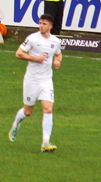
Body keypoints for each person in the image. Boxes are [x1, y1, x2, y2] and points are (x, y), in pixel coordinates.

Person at [9, 13, 63, 152]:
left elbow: (58, 54)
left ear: (50, 26)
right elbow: (18, 53)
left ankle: (45, 142)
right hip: (31, 80)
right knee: (28, 112)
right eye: (40, 23)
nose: (41, 26)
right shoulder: (32, 39)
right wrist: (35, 59)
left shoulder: (55, 41)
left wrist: (57, 61)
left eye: (44, 24)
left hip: (46, 80)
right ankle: (16, 124)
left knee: (48, 109)